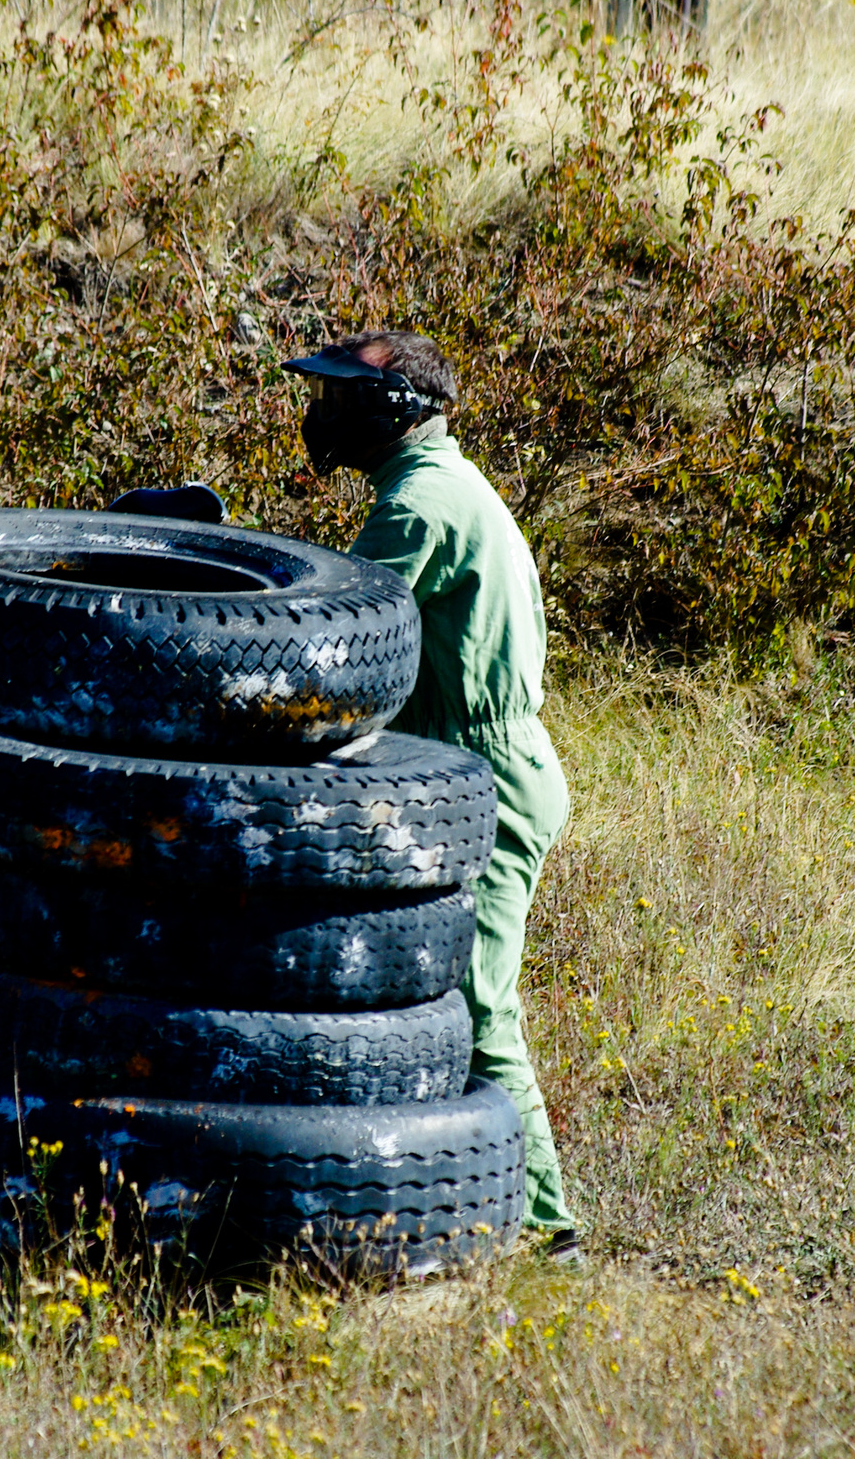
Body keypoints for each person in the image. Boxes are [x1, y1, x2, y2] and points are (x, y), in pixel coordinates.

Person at [283, 331, 579, 1258]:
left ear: (397, 407)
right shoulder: (440, 486)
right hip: (468, 767)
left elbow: (326, 643)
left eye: (341, 398)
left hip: (479, 772)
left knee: (480, 1012)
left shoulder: (418, 505)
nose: (323, 415)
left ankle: (546, 1231)